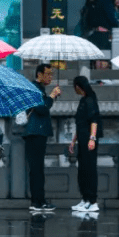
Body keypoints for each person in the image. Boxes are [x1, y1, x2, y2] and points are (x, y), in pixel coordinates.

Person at [23, 64, 61, 214]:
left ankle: (40, 201)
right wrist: (51, 96)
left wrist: (51, 96)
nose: (50, 77)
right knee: (36, 169)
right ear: (39, 74)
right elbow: (41, 109)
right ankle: (37, 202)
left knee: (38, 169)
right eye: (48, 74)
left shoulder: (39, 89)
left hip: (38, 133)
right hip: (35, 133)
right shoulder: (34, 88)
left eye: (51, 74)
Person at [69, 76, 102, 214]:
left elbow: (94, 120)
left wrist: (92, 138)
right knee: (82, 170)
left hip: (89, 140)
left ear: (78, 86)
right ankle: (85, 199)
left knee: (90, 170)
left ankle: (92, 201)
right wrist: (73, 140)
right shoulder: (83, 101)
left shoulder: (90, 101)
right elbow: (80, 124)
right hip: (82, 139)